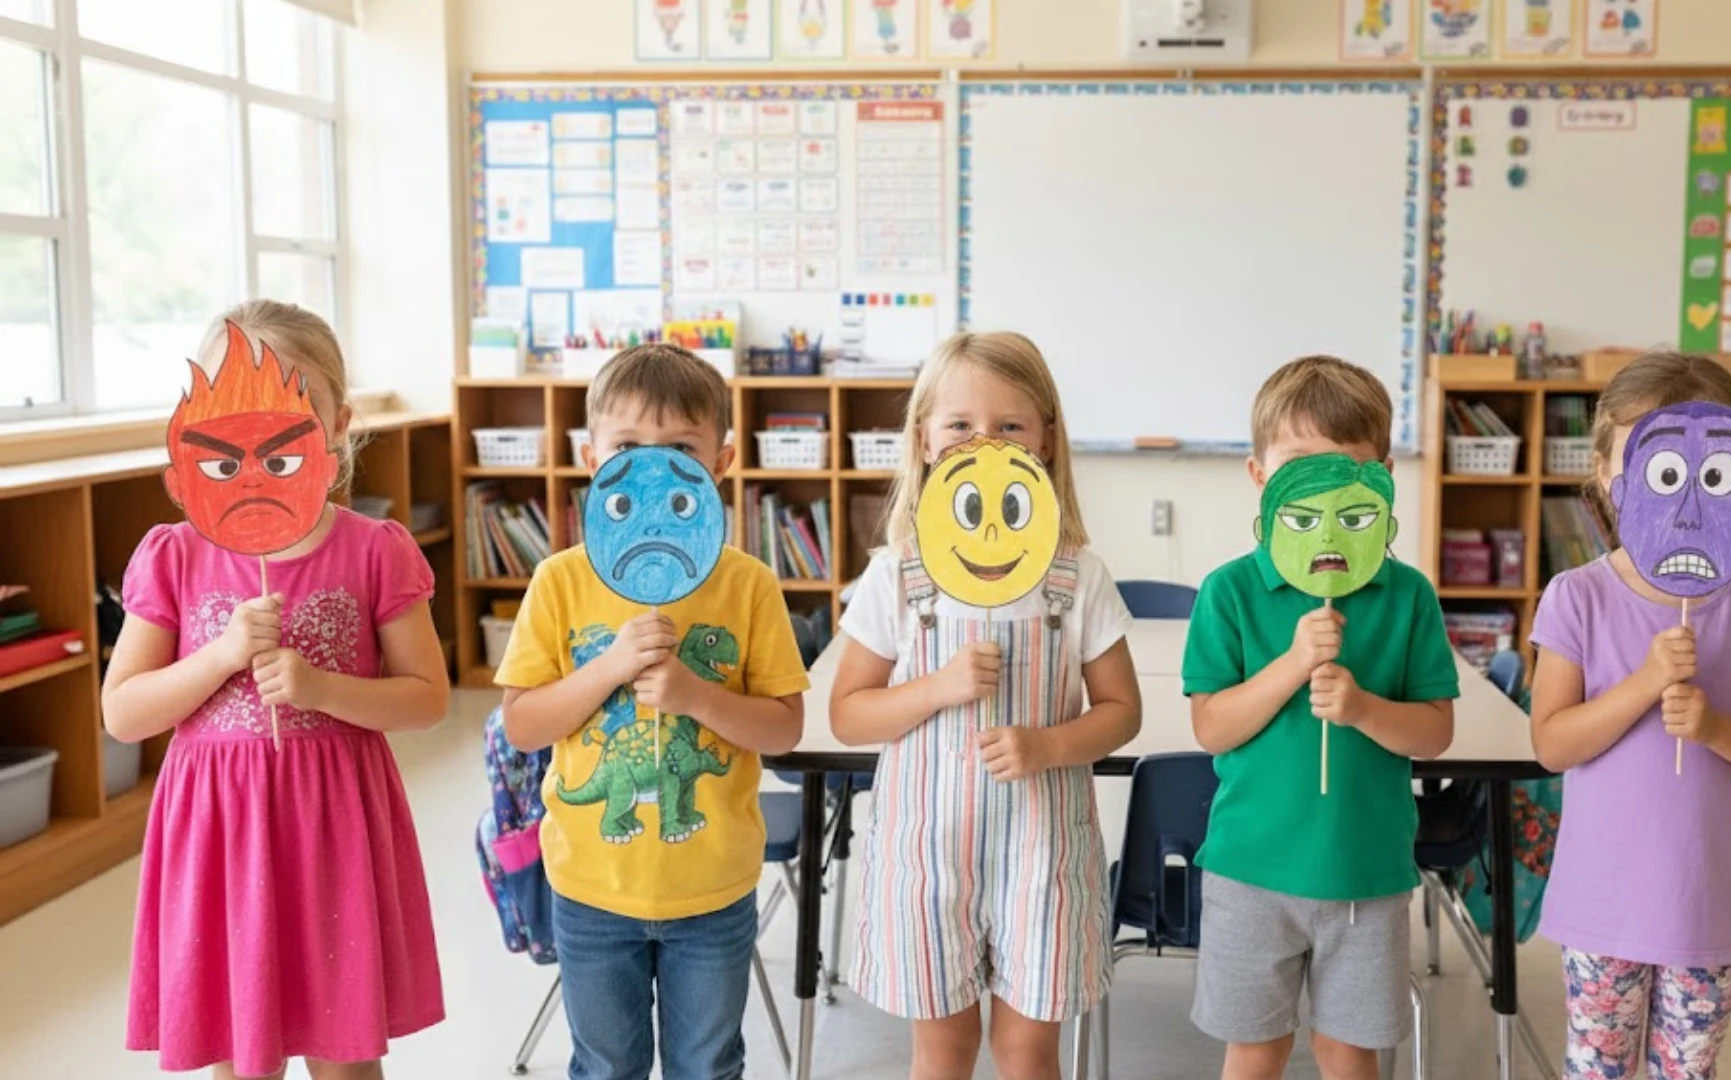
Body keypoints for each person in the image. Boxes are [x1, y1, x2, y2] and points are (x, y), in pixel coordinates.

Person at [105, 300, 449, 1080]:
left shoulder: (376, 551)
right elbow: (123, 713)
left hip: (334, 831)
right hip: (219, 837)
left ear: (336, 424)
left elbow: (427, 698)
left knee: (344, 1056)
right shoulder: (175, 556)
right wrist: (222, 656)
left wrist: (321, 687)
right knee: (239, 1055)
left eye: (293, 409)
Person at [831, 331, 1142, 1080]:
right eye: (961, 424)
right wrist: (937, 686)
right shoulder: (896, 575)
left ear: (1043, 441)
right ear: (926, 441)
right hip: (926, 857)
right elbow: (848, 712)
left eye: (1010, 425)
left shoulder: (1078, 576)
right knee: (942, 1047)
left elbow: (1121, 710)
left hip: (1043, 855)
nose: (985, 440)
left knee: (1027, 1048)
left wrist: (1047, 746)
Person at [496, 344, 809, 1080]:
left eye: (681, 450)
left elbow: (786, 727)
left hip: (717, 887)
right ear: (589, 455)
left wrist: (694, 696)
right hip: (590, 888)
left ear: (723, 462)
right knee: (606, 1067)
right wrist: (611, 666)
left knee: (708, 1066)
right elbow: (523, 724)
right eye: (628, 447)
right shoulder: (559, 581)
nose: (653, 467)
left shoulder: (749, 584)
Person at [1530, 352, 1731, 1080]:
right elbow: (1553, 744)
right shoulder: (1576, 596)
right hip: (1603, 903)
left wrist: (1717, 728)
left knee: (1686, 1073)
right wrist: (1644, 684)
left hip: (1706, 907)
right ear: (1605, 472)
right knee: (1596, 1069)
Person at [1184, 356, 1458, 1080]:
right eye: (1302, 468)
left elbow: (1434, 735)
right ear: (1258, 476)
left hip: (1365, 872)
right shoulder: (1230, 592)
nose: (1328, 489)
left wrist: (1364, 707)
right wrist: (1290, 666)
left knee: (1349, 1050)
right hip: (1250, 870)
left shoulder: (1408, 596)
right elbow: (1211, 727)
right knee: (1256, 1047)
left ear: (1384, 476)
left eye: (1348, 469)